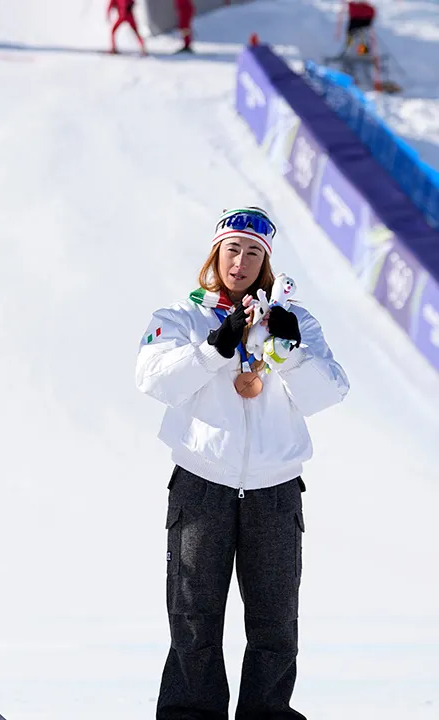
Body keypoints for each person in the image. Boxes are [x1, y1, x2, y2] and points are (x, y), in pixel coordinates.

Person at [135, 207, 349, 720]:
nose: (241, 260)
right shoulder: (180, 316)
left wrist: (289, 350)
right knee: (193, 617)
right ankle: (190, 714)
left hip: (275, 492)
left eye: (254, 252)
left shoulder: (294, 321)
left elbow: (329, 391)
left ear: (266, 264)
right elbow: (153, 381)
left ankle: (268, 715)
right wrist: (214, 348)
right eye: (232, 249)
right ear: (215, 255)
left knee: (275, 622)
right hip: (202, 486)